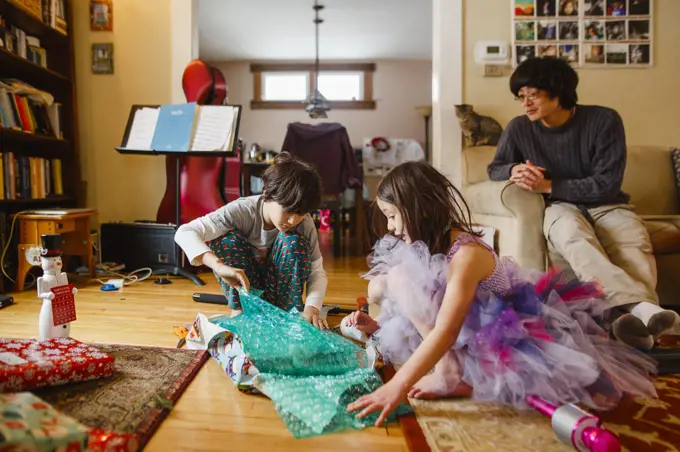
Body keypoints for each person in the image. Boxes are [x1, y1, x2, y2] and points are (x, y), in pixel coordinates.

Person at [345, 161, 657, 426]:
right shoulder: (426, 246)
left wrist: (398, 385)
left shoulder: (466, 254)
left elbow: (447, 330)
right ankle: (449, 364)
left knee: (398, 279)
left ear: (421, 211)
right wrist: (382, 322)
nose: (391, 228)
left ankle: (450, 369)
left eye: (393, 216)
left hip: (503, 333)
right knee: (393, 277)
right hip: (460, 325)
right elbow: (406, 297)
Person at [486, 57, 679, 350]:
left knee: (631, 240)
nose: (525, 104)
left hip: (607, 203)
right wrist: (513, 169)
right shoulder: (519, 128)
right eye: (521, 97)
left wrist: (549, 185)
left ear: (559, 90)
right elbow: (494, 168)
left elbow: (607, 184)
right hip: (559, 207)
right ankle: (642, 311)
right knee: (572, 236)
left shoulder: (604, 121)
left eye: (533, 94)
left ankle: (627, 327)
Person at [174, 152, 329, 329]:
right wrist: (218, 265)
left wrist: (312, 308)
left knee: (293, 241)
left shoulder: (304, 223)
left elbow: (316, 272)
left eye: (300, 214)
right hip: (247, 292)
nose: (293, 220)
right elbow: (184, 232)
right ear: (267, 194)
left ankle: (288, 314)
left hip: (282, 300)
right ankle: (240, 311)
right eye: (289, 210)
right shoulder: (242, 210)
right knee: (225, 240)